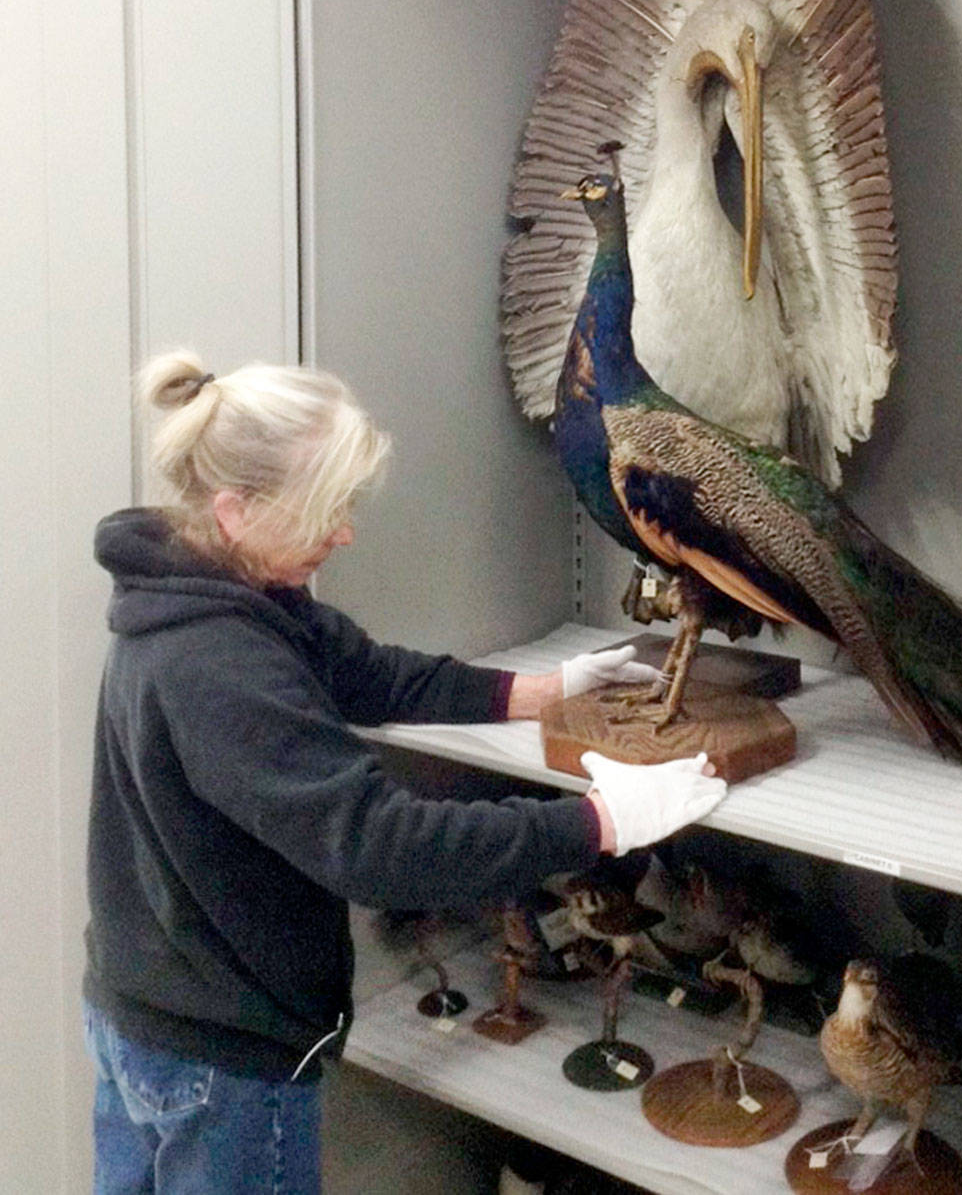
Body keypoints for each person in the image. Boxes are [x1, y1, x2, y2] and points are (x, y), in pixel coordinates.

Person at [83, 351, 726, 1195]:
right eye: (328, 507)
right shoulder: (217, 660)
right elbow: (383, 845)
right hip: (221, 1059)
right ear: (236, 511)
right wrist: (602, 821)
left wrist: (540, 692)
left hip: (148, 1011)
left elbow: (367, 672)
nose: (345, 530)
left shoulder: (219, 595)